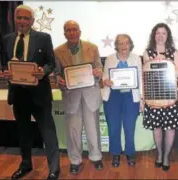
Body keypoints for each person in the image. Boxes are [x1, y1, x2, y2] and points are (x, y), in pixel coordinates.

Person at [0, 5, 60, 180]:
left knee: (48, 131)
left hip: (39, 93)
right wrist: (5, 72)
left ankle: (54, 169)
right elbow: (5, 63)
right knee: (23, 132)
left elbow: (52, 63)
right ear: (15, 19)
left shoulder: (44, 38)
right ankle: (26, 165)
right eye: (20, 18)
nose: (23, 21)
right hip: (18, 93)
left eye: (26, 18)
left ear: (32, 21)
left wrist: (44, 71)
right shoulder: (7, 39)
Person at [54, 20, 103, 174]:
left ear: (80, 32)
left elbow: (99, 67)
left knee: (93, 129)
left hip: (90, 94)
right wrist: (58, 80)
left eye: (74, 29)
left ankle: (96, 157)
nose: (72, 32)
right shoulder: (57, 51)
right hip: (71, 96)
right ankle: (75, 160)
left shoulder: (92, 48)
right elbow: (56, 72)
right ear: (64, 33)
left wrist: (98, 72)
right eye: (68, 30)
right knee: (73, 131)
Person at [142, 23, 178, 171]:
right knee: (157, 128)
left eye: (164, 33)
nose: (160, 36)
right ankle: (159, 155)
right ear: (154, 35)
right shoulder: (147, 52)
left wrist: (169, 62)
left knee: (170, 128)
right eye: (158, 33)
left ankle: (166, 156)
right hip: (154, 96)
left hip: (172, 96)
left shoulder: (175, 52)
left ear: (168, 36)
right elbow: (146, 73)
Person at [102, 34, 143, 167]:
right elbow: (104, 76)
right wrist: (105, 81)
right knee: (113, 127)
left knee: (129, 127)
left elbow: (140, 79)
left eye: (126, 43)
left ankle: (130, 153)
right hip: (113, 97)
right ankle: (115, 154)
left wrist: (141, 99)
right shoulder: (109, 58)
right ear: (116, 45)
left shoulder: (136, 58)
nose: (123, 46)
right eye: (120, 43)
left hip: (131, 97)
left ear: (130, 44)